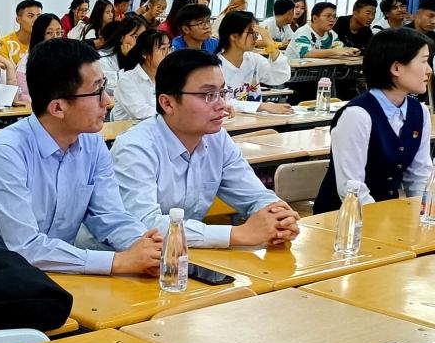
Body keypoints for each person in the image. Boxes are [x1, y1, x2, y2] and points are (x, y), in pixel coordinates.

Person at [0, 38, 162, 274]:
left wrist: (144, 247)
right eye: (97, 91)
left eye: (104, 86)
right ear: (57, 108)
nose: (107, 101)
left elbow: (110, 216)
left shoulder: (92, 143)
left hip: (57, 274)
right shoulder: (6, 154)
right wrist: (118, 261)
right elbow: (27, 248)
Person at [111, 50, 301, 247]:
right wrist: (236, 234)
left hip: (184, 254)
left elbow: (254, 195)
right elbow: (144, 225)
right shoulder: (135, 148)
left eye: (222, 93)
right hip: (124, 257)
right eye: (208, 95)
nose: (222, 105)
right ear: (167, 103)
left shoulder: (218, 139)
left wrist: (278, 217)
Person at [313, 28, 433, 212]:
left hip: (387, 214)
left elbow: (419, 175)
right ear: (396, 68)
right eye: (423, 61)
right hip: (343, 217)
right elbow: (352, 189)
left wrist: (422, 213)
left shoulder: (420, 111)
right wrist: (380, 220)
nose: (429, 70)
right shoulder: (356, 115)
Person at [215, 11, 292, 114]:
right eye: (251, 33)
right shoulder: (215, 65)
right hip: (228, 120)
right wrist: (261, 106)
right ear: (234, 36)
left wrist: (270, 44)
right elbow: (221, 101)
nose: (256, 38)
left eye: (257, 33)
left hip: (254, 119)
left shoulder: (254, 59)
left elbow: (281, 76)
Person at [111, 29, 170, 121]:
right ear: (145, 54)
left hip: (157, 125)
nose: (168, 53)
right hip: (128, 128)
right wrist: (173, 111)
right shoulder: (127, 80)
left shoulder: (168, 77)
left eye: (169, 48)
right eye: (163, 49)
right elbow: (140, 112)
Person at [14, 13, 63, 101]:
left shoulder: (66, 58)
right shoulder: (26, 63)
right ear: (39, 35)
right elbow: (23, 95)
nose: (55, 37)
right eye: (49, 33)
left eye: (58, 32)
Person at [286, 1, 358, 60]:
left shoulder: (331, 34)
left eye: (334, 16)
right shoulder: (303, 32)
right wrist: (335, 51)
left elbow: (340, 49)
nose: (332, 20)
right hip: (293, 71)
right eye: (328, 16)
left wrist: (350, 51)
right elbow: (306, 53)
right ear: (315, 18)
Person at [96, 16, 146, 86]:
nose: (140, 42)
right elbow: (107, 85)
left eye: (143, 38)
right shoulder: (102, 58)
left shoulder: (144, 58)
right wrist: (130, 62)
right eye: (135, 37)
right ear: (122, 38)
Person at [0, 0, 43, 64]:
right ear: (18, 20)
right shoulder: (4, 44)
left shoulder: (44, 43)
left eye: (39, 16)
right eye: (30, 16)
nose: (36, 20)